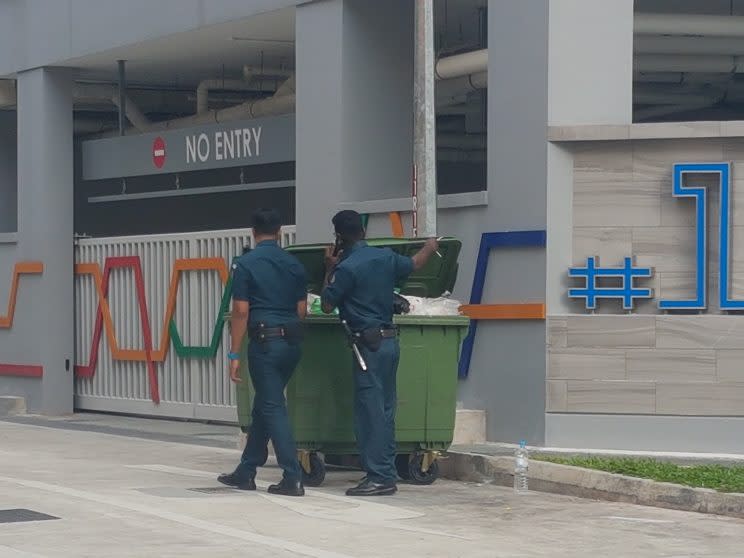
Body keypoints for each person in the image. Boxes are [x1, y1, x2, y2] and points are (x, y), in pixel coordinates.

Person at [321, 210, 439, 497]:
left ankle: (379, 476)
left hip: (367, 347)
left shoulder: (346, 269)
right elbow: (415, 263)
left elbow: (326, 304)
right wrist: (430, 246)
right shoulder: (385, 257)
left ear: (338, 236)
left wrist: (329, 267)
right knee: (385, 411)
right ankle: (385, 470)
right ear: (363, 231)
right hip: (389, 343)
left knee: (370, 413)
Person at [218, 208, 307, 497]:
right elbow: (302, 310)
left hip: (265, 343)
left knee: (272, 406)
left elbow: (241, 310)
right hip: (292, 343)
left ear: (253, 232)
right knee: (264, 405)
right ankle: (247, 470)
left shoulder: (246, 264)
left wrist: (233, 356)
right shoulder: (294, 264)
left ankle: (293, 476)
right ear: (280, 232)